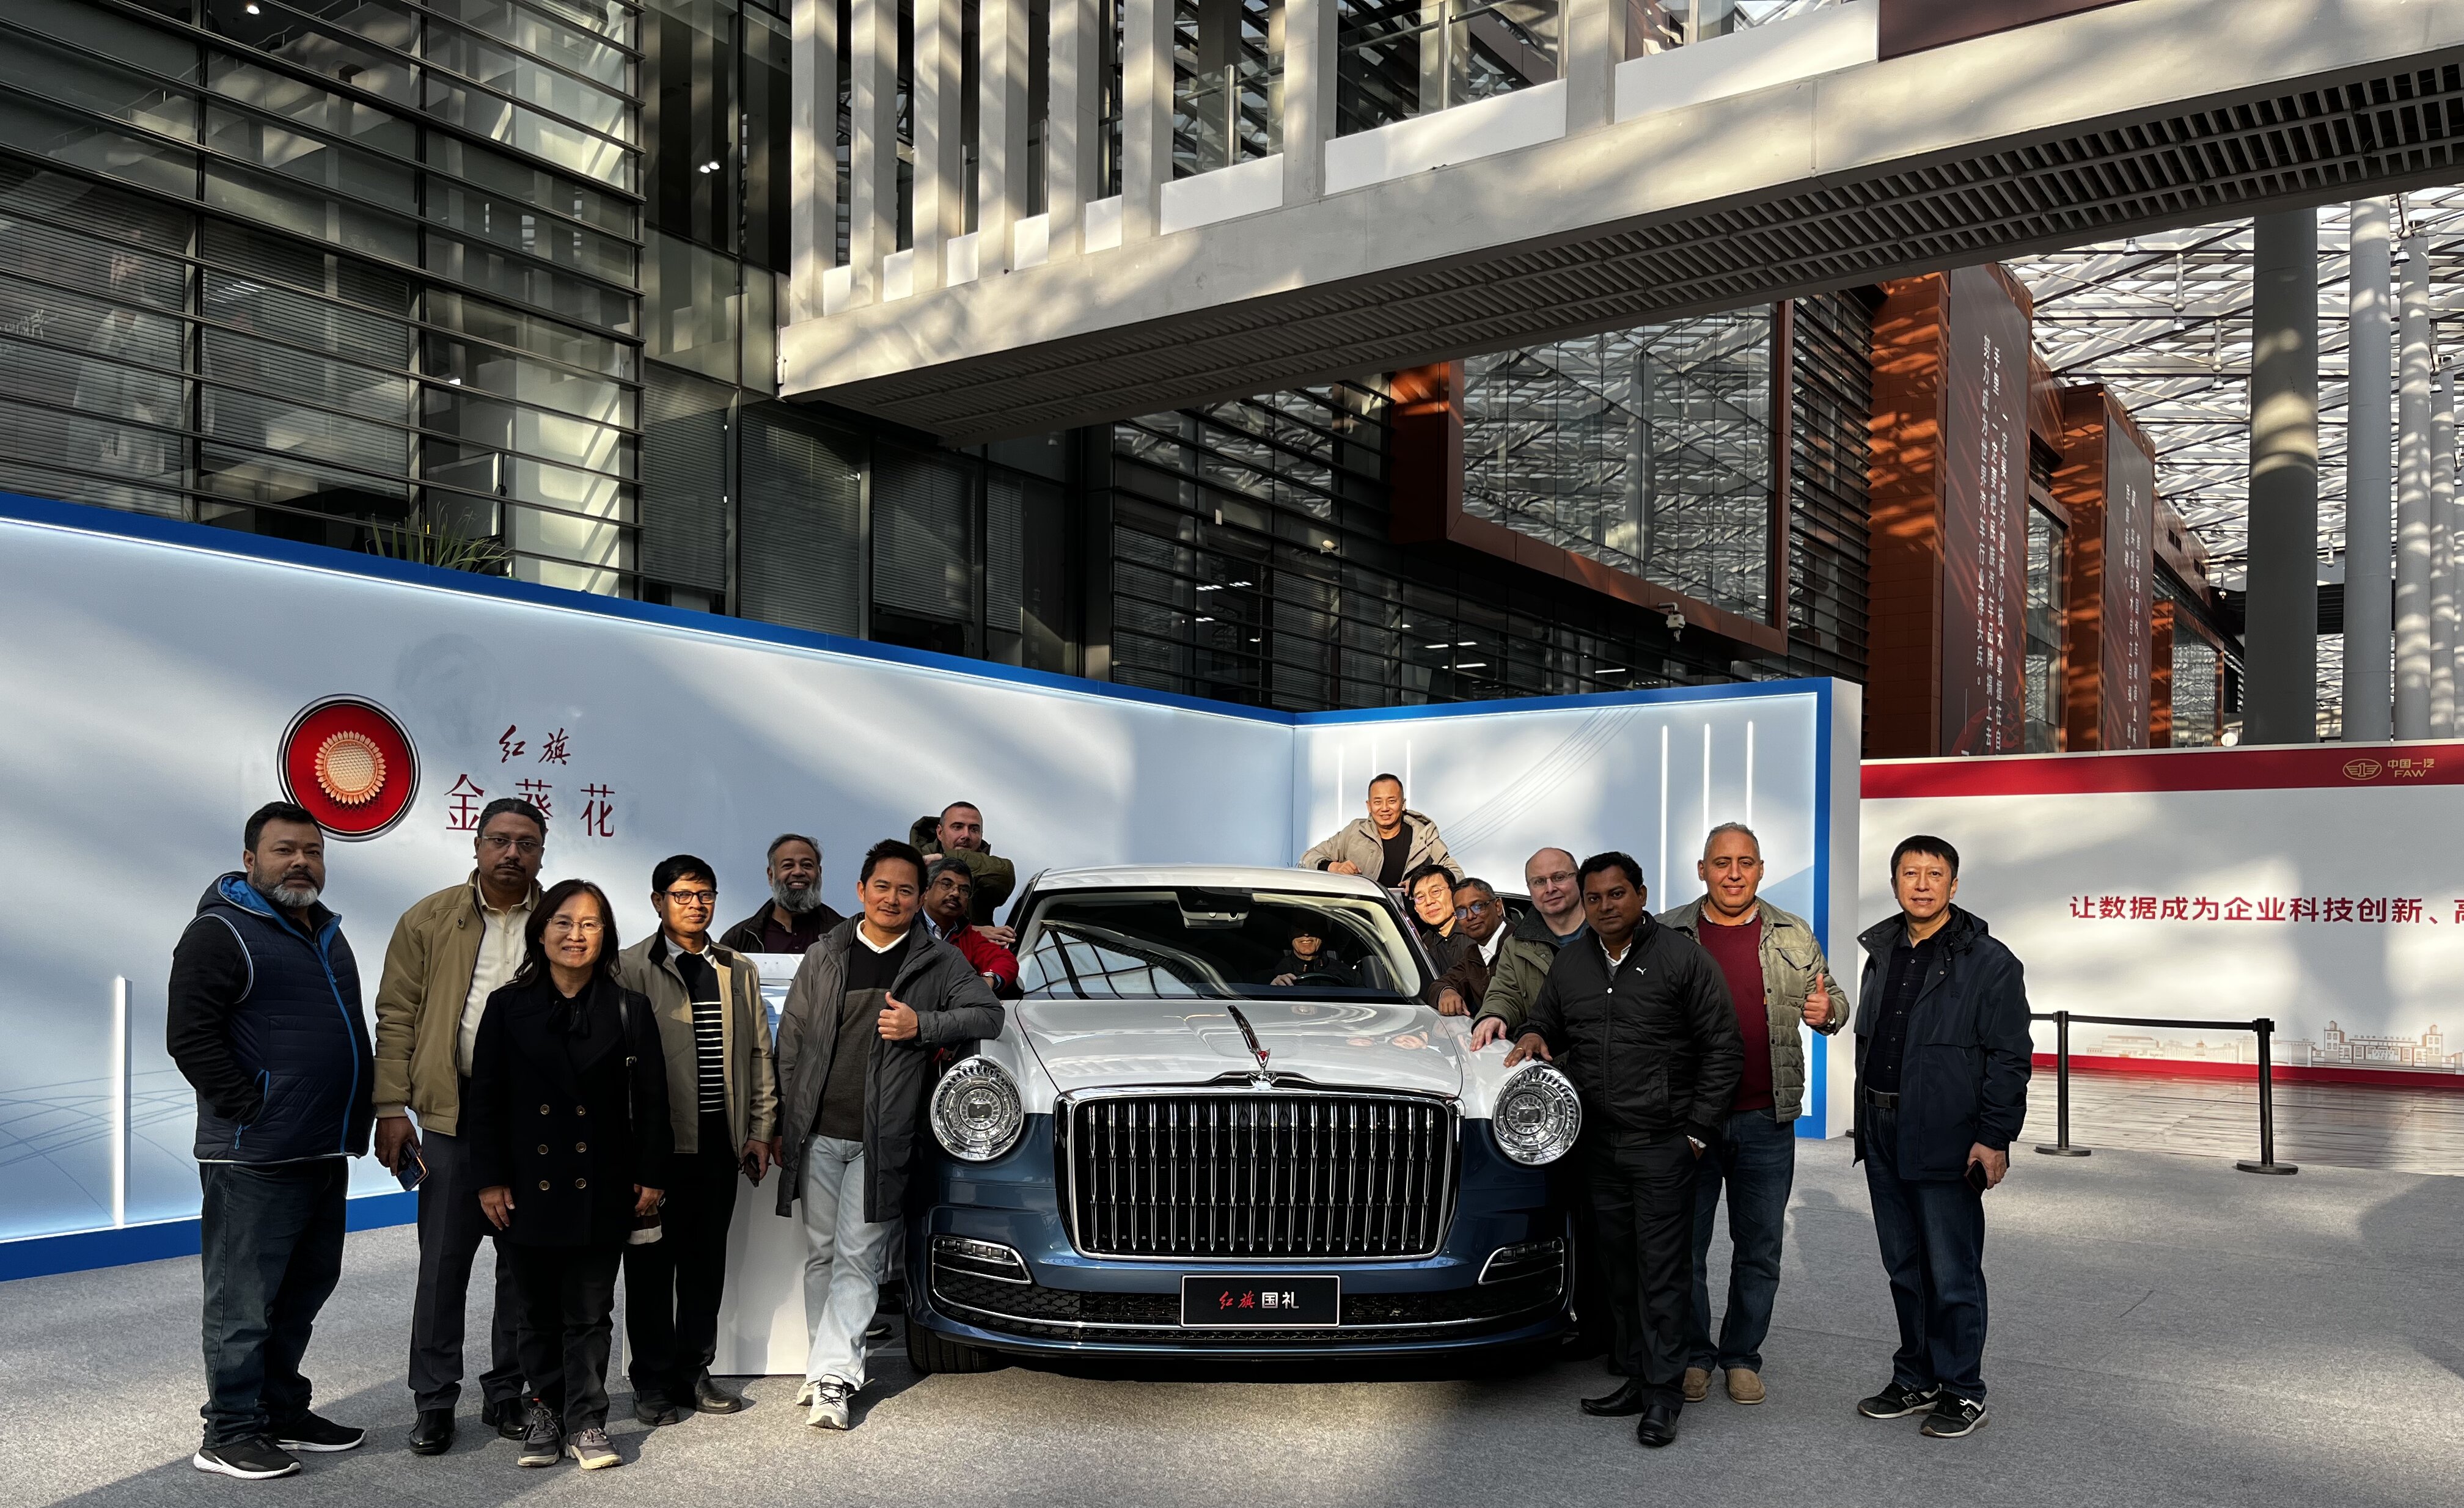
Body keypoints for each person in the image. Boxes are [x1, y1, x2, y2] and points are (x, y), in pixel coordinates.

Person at [1505, 852, 1741, 1449]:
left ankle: (1664, 1394)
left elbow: (1723, 1047)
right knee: (1620, 1269)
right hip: (1598, 1146)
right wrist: (1533, 1032)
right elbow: (1548, 1020)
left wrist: (1697, 1131)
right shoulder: (1573, 962)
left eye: (1617, 894)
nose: (1605, 906)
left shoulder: (1682, 958)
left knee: (1662, 1271)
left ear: (1641, 895)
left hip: (1663, 1144)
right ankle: (1637, 1376)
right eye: (1595, 897)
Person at [169, 802, 375, 1480]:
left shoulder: (326, 932)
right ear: (250, 859)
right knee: (243, 1300)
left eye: (312, 851)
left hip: (321, 1147)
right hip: (254, 1155)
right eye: (285, 850)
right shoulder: (219, 932)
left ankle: (281, 1408)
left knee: (304, 1289)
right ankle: (229, 1430)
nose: (301, 863)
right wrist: (252, 1108)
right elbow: (190, 1037)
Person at [772, 840, 1004, 1430]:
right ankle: (823, 1367)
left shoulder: (937, 959)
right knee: (822, 1255)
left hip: (884, 1138)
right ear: (861, 890)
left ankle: (834, 1377)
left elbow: (988, 1014)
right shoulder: (826, 954)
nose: (893, 899)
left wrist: (921, 1024)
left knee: (859, 1256)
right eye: (882, 887)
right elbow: (791, 1041)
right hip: (819, 1133)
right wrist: (783, 1122)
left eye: (906, 890)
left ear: (920, 898)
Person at [466, 879, 670, 1471]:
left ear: (605, 935)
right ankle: (544, 1413)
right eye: (563, 921)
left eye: (589, 923)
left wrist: (652, 1173)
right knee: (534, 1312)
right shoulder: (506, 1006)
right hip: (525, 1184)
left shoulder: (629, 1008)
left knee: (589, 1311)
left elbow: (653, 1101)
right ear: (541, 931)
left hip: (600, 1181)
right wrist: (489, 1179)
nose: (575, 934)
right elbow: (485, 1101)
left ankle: (586, 1419)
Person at [370, 797, 546, 1455]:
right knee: (443, 1264)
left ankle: (508, 1391)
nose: (511, 853)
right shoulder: (430, 918)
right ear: (476, 846)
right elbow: (397, 1015)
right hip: (452, 1114)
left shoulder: (560, 920)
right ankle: (435, 1398)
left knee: (523, 1265)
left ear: (541, 853)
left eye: (526, 843)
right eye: (499, 840)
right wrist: (391, 1107)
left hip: (534, 1120)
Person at [1659, 822, 1848, 1407]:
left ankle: (1742, 1356)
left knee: (1760, 1249)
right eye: (1722, 863)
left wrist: (1829, 1011)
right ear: (1702, 870)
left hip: (1766, 1118)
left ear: (1761, 870)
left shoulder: (1793, 933)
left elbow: (1836, 999)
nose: (1734, 874)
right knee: (1682, 1248)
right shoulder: (1666, 934)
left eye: (1746, 862)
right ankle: (1694, 1356)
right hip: (1688, 1121)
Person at [1851, 835, 2031, 1440]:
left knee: (1952, 1269)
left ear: (1954, 885)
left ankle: (1962, 1388)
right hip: (1881, 1126)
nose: (1922, 884)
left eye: (1935, 874)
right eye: (1911, 873)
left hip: (1947, 1132)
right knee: (1903, 1265)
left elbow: (2010, 1057)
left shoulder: (1991, 961)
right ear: (1895, 882)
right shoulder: (1882, 950)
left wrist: (1995, 1136)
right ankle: (1917, 1377)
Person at [614, 856, 779, 1425]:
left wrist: (760, 1131)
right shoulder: (629, 967)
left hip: (718, 1144)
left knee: (705, 1266)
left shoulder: (736, 968)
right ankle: (651, 1380)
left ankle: (693, 1371)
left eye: (705, 894)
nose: (696, 905)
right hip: (655, 1148)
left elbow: (759, 1053)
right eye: (682, 895)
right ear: (658, 901)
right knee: (650, 1268)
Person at [1467, 847, 1591, 1047]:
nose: (1550, 888)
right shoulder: (1515, 945)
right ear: (1530, 888)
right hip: (1549, 1059)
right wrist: (1493, 1016)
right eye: (1539, 882)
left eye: (1559, 877)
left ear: (1579, 879)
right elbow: (1506, 993)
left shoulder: (1609, 931)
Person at [1297, 773, 1458, 891]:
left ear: (1403, 804)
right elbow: (1308, 858)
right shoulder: (1355, 832)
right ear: (1369, 806)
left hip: (1408, 922)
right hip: (1359, 922)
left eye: (1392, 801)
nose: (1385, 808)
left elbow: (1455, 873)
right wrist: (1334, 867)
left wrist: (1425, 883)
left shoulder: (1423, 836)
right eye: (1378, 802)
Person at [719, 833, 846, 957]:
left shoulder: (846, 934)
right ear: (771, 875)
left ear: (819, 873)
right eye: (788, 866)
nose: (798, 872)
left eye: (807, 865)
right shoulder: (738, 941)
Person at [910, 803, 1016, 934]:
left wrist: (944, 858)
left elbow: (1005, 874)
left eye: (974, 830)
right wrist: (970, 932)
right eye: (958, 827)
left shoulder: (986, 869)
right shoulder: (912, 866)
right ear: (940, 832)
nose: (966, 835)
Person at [921, 856, 1020, 995]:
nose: (956, 893)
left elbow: (1005, 960)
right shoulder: (904, 926)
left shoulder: (968, 936)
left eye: (964, 890)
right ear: (926, 891)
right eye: (947, 885)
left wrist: (988, 980)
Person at [1432, 877, 1520, 1018]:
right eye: (1461, 912)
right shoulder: (1472, 955)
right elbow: (1439, 985)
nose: (1470, 916)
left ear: (1498, 907)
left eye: (1478, 906)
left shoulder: (1523, 946)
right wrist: (1446, 992)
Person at [1404, 862, 1466, 975]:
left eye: (1436, 892)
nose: (1429, 902)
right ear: (1416, 908)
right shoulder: (1420, 948)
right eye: (1420, 897)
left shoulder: (1478, 934)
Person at [1269, 911, 1354, 987]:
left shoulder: (1347, 974)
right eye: (1299, 927)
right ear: (1290, 934)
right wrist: (1272, 990)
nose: (1306, 934)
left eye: (1313, 926)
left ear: (1323, 932)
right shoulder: (1274, 973)